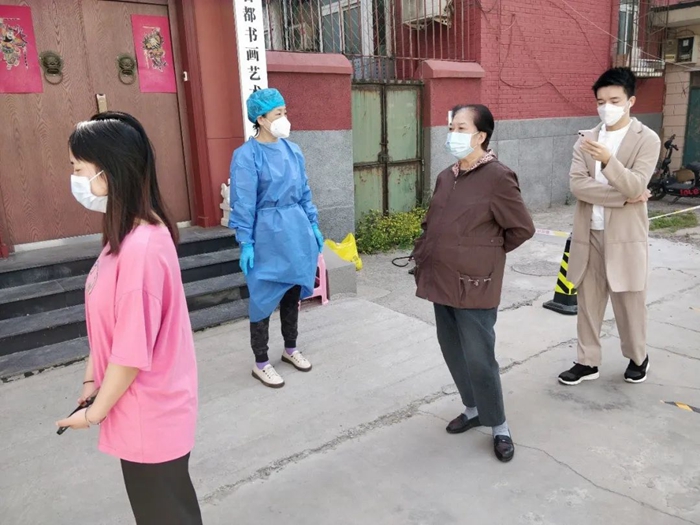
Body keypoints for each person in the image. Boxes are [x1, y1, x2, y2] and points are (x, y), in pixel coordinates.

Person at [56, 112, 201, 524]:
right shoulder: (123, 237)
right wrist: (91, 382)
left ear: (109, 172)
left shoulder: (142, 248)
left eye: (78, 169)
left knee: (165, 515)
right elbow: (111, 326)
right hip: (137, 408)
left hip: (150, 415)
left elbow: (131, 353)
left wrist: (93, 414)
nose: (74, 179)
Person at [412, 104, 535, 462]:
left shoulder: (498, 177)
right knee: (452, 349)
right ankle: (473, 408)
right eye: (451, 127)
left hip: (475, 283)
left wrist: (484, 254)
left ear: (481, 136)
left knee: (480, 357)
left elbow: (521, 228)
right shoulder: (446, 176)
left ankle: (499, 424)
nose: (452, 134)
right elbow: (433, 222)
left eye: (461, 128)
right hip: (441, 279)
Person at [558, 68, 660, 386]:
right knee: (589, 301)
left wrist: (608, 161)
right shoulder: (586, 139)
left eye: (614, 100)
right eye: (601, 101)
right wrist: (623, 197)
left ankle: (638, 357)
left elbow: (636, 184)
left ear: (630, 101)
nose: (607, 107)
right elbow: (578, 185)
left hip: (625, 237)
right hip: (589, 232)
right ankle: (587, 361)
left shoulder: (647, 139)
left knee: (630, 302)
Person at [229, 88, 324, 388]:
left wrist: (313, 224)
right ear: (261, 118)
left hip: (296, 230)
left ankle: (290, 348)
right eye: (278, 114)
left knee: (292, 292)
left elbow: (304, 191)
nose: (284, 118)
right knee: (262, 297)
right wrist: (246, 241)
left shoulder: (292, 151)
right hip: (266, 234)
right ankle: (261, 362)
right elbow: (243, 201)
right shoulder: (246, 156)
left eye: (285, 112)